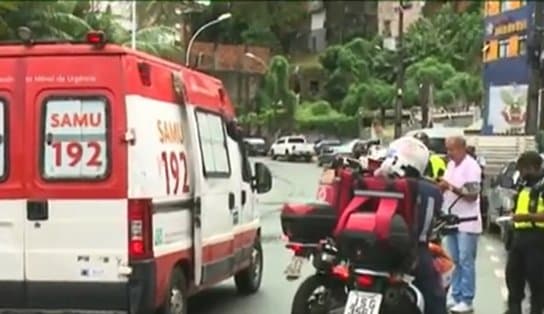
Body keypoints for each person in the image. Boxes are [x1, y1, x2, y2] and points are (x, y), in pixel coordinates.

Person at [375, 137, 447, 314]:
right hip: (410, 254)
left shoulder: (376, 181)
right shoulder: (430, 190)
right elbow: (425, 229)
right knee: (435, 296)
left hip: (370, 249)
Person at [437, 136, 482, 313]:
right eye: (447, 149)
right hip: (451, 220)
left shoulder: (471, 167)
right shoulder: (450, 165)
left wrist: (451, 187)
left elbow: (472, 195)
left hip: (468, 222)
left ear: (462, 148)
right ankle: (455, 295)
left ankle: (467, 298)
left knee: (466, 261)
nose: (449, 153)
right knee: (454, 260)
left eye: (452, 149)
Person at [504, 151, 544, 314]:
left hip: (537, 238)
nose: (521, 174)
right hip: (518, 237)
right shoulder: (523, 184)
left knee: (537, 283)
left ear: (532, 167)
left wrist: (526, 217)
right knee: (513, 279)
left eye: (522, 170)